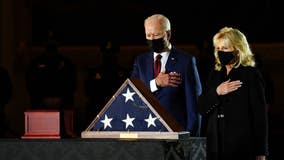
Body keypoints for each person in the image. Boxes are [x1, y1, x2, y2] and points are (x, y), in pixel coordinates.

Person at [197, 27, 268, 160]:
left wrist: (261, 151)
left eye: (225, 48)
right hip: (215, 146)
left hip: (241, 146)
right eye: (218, 48)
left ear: (237, 49)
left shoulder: (250, 74)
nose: (220, 52)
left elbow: (259, 116)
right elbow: (201, 107)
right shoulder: (214, 74)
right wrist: (217, 92)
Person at [131, 14, 202, 136]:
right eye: (148, 35)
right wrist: (156, 83)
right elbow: (132, 93)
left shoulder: (186, 61)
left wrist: (190, 140)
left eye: (156, 35)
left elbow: (194, 107)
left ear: (168, 34)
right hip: (146, 133)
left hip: (175, 133)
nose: (152, 39)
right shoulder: (140, 61)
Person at [26, 30, 77, 137]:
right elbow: (31, 84)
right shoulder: (36, 63)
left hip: (63, 104)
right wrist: (44, 99)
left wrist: (60, 99)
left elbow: (71, 84)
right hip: (40, 103)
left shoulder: (66, 63)